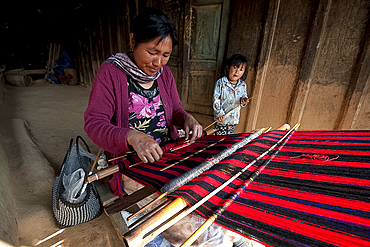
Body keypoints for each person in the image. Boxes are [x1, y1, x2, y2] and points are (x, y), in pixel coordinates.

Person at [84, 8, 249, 247]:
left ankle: (233, 232)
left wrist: (187, 119)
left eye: (165, 55)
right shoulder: (111, 73)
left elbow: (175, 111)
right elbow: (94, 124)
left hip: (170, 154)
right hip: (133, 165)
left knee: (216, 184)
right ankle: (215, 241)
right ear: (132, 40)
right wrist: (131, 136)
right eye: (152, 52)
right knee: (191, 222)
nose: (158, 62)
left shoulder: (165, 75)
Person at [213, 54, 249, 135]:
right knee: (219, 140)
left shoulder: (242, 85)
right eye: (235, 67)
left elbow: (243, 97)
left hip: (233, 119)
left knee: (228, 140)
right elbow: (216, 99)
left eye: (241, 69)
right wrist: (219, 113)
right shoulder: (221, 82)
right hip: (221, 118)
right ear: (228, 67)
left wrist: (244, 100)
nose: (237, 71)